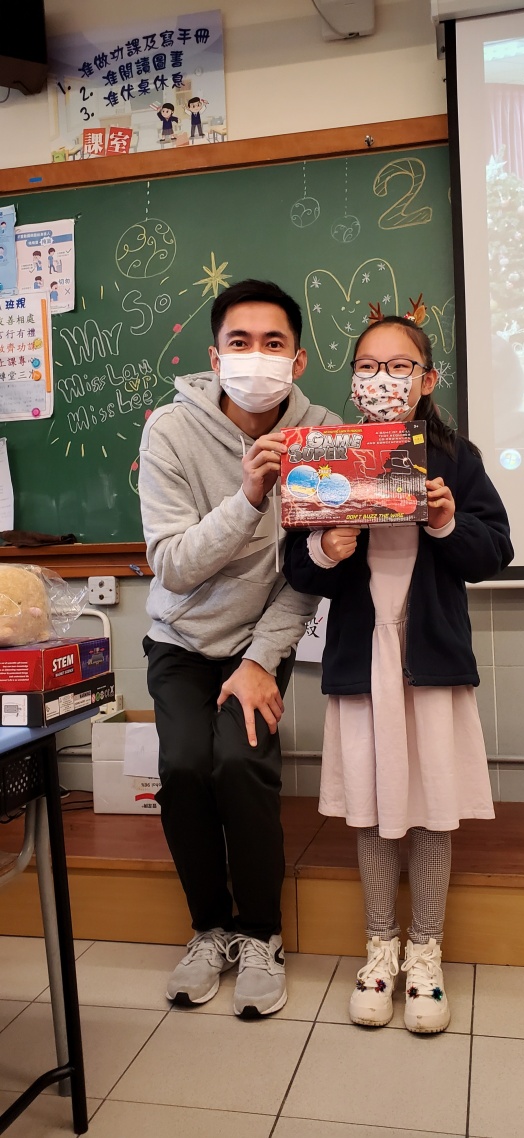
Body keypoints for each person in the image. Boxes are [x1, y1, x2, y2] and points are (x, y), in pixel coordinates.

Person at [284, 314, 513, 1033]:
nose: (381, 380)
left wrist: (446, 523)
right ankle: (379, 946)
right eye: (368, 366)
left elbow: (494, 551)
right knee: (373, 802)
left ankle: (426, 949)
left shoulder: (456, 458)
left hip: (431, 657)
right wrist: (326, 547)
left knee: (433, 803)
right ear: (351, 379)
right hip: (364, 659)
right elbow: (297, 569)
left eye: (399, 366)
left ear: (427, 380)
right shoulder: (328, 456)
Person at [139, 279, 340, 1018]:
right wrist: (249, 497)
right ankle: (209, 929)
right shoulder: (170, 430)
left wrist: (260, 661)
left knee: (242, 764)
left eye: (273, 343)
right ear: (215, 356)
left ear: (299, 359)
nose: (257, 356)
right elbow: (173, 565)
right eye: (240, 342)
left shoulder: (325, 435)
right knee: (185, 767)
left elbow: (309, 572)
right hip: (182, 638)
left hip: (260, 640)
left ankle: (260, 934)